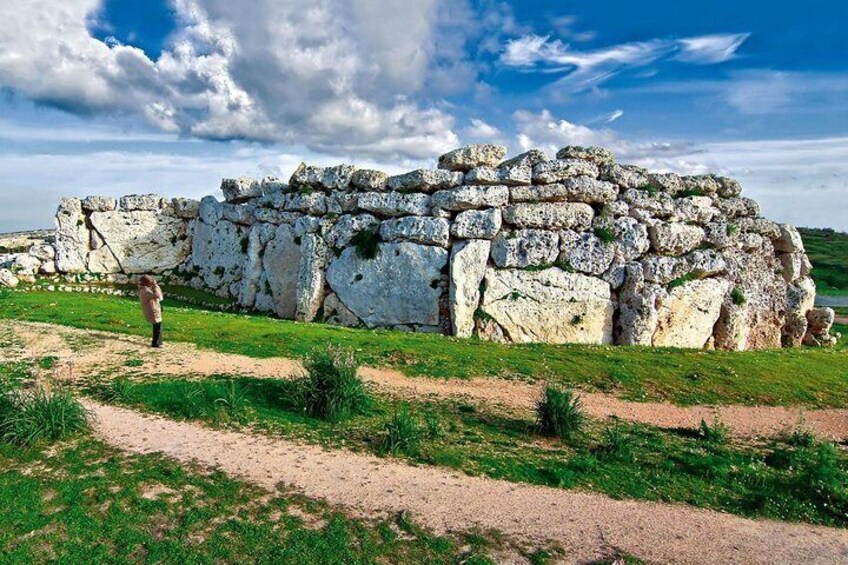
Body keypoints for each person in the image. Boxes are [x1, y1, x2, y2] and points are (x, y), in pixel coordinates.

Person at [138, 275, 164, 348]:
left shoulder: (143, 289)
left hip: (152, 310)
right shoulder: (145, 291)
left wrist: (153, 286)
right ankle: (155, 343)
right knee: (157, 326)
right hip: (152, 311)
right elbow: (158, 295)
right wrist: (155, 285)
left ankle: (158, 342)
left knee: (157, 326)